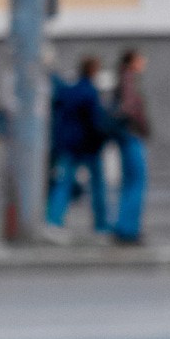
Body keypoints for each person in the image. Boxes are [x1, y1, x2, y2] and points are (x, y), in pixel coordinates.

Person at [46, 55, 110, 238]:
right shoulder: (90, 92)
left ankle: (54, 221)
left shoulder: (69, 90)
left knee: (62, 184)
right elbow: (95, 122)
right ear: (93, 71)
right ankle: (101, 224)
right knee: (98, 186)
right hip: (88, 147)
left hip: (68, 146)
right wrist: (101, 139)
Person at [107, 49, 151, 245]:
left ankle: (124, 227)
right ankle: (128, 229)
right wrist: (142, 125)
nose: (143, 61)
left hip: (125, 135)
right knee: (136, 182)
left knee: (129, 182)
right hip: (131, 135)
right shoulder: (129, 79)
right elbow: (130, 107)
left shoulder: (123, 78)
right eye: (140, 58)